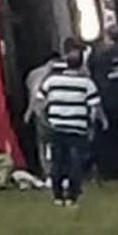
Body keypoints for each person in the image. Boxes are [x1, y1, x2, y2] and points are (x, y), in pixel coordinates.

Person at [38, 42, 104, 207]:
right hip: (77, 127)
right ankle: (72, 195)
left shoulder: (52, 80)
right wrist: (91, 125)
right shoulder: (87, 83)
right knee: (76, 162)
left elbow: (40, 100)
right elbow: (94, 108)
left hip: (56, 126)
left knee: (57, 161)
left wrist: (45, 119)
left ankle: (57, 195)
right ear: (81, 64)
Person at [87, 27, 118, 181]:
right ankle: (116, 169)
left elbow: (94, 73)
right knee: (116, 135)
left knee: (103, 135)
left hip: (105, 98)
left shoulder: (101, 54)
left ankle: (105, 169)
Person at [24, 52, 61, 179]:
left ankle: (47, 171)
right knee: (58, 141)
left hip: (39, 112)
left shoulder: (33, 73)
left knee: (43, 144)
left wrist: (29, 112)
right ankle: (56, 171)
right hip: (54, 110)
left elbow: (32, 94)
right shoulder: (57, 72)